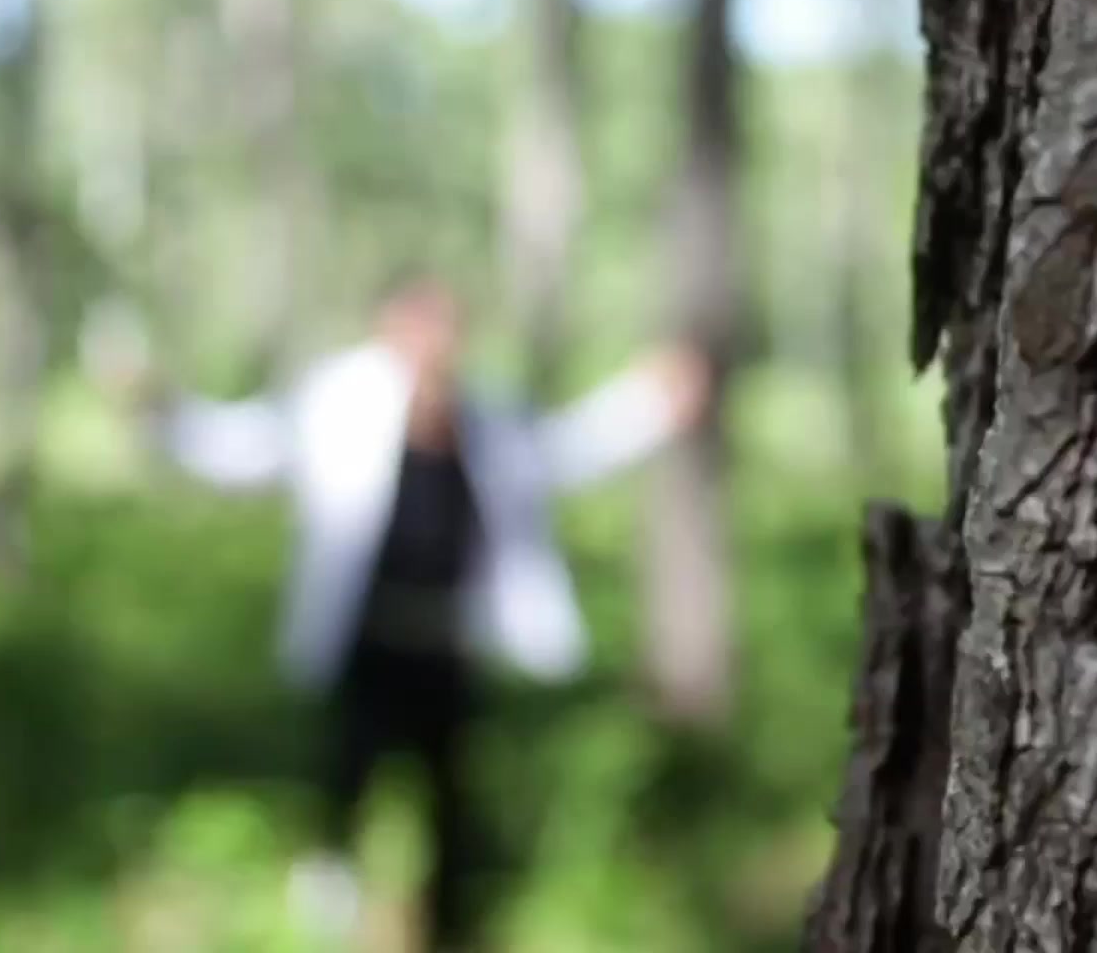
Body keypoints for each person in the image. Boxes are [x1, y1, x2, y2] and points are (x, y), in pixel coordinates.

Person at [116, 274, 709, 951]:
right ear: (389, 332)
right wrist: (161, 412)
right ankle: (327, 917)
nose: (433, 344)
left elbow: (562, 453)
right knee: (346, 782)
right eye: (419, 327)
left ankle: (450, 927)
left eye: (444, 328)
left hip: (449, 648)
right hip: (367, 646)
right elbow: (244, 447)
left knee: (451, 798)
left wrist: (648, 405)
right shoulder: (339, 408)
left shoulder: (486, 420)